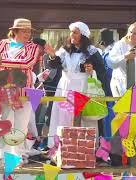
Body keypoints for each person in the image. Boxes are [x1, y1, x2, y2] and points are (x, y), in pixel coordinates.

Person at [45, 21, 109, 149]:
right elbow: (54, 65)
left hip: (83, 87)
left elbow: (102, 71)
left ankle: (83, 148)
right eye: (71, 32)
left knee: (83, 117)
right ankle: (62, 147)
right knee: (64, 116)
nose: (71, 35)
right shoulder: (64, 50)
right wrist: (52, 55)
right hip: (66, 86)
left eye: (75, 32)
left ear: (83, 35)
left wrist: (92, 70)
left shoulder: (92, 51)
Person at [0, 18, 40, 168]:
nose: (27, 34)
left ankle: (16, 158)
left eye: (29, 31)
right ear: (15, 31)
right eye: (24, 30)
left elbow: (27, 63)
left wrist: (2, 62)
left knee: (20, 126)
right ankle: (1, 157)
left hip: (24, 92)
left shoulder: (34, 47)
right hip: (3, 90)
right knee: (3, 123)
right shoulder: (0, 43)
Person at [109, 22, 136, 97]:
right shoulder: (120, 45)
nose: (131, 35)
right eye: (130, 32)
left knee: (133, 108)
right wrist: (125, 57)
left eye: (135, 33)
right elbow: (111, 63)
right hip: (121, 85)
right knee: (124, 108)